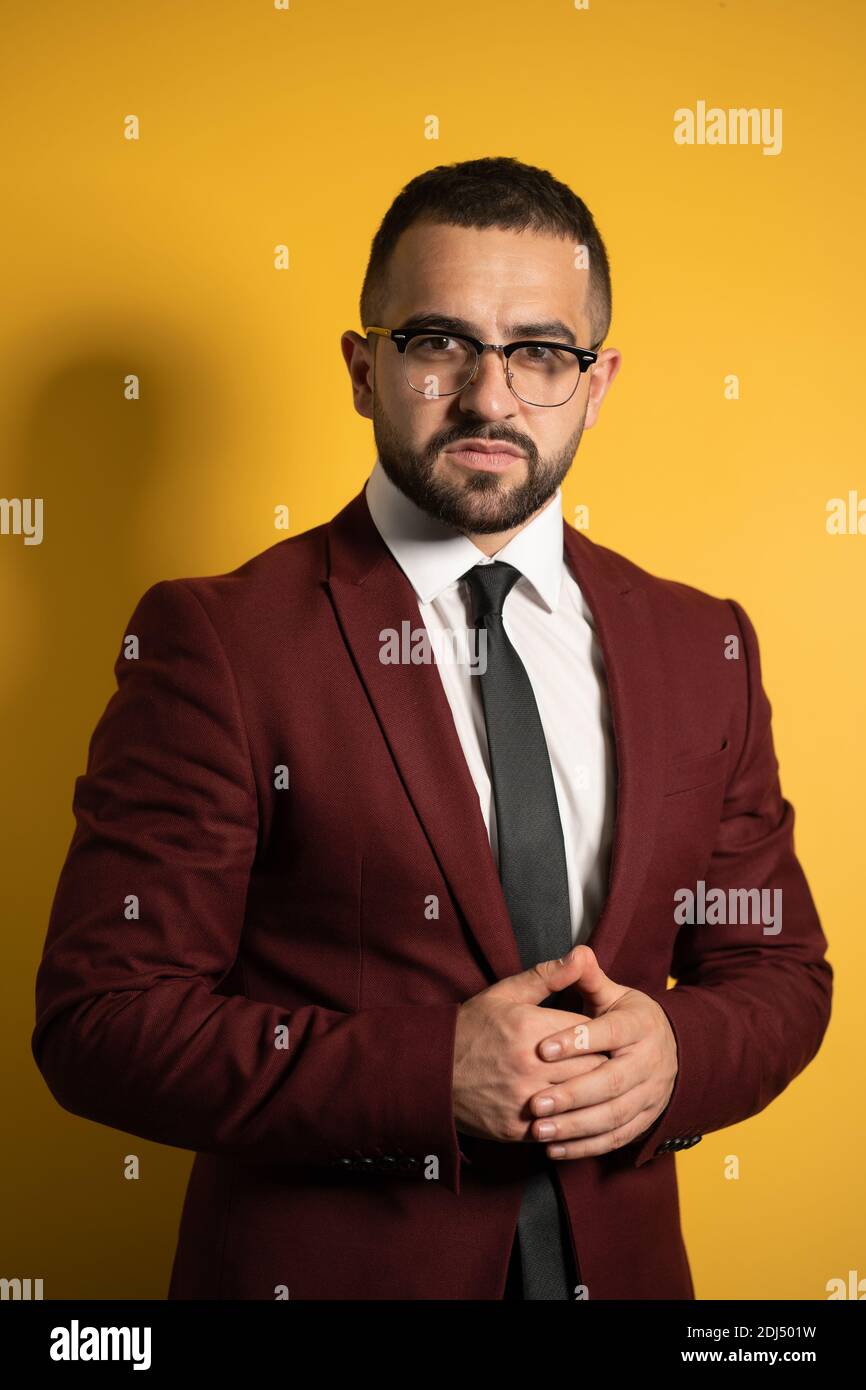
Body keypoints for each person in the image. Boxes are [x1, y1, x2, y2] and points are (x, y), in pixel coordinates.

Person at [32, 156, 832, 1300]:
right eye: (437, 343)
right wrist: (424, 1074)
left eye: (538, 353)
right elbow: (102, 1021)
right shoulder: (219, 640)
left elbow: (775, 971)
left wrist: (677, 1053)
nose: (489, 399)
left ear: (595, 383)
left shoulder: (700, 643)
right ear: (364, 369)